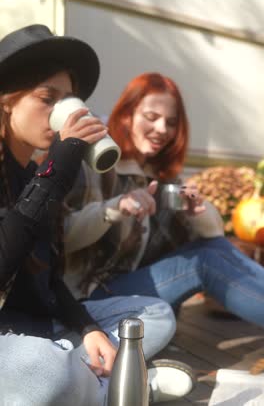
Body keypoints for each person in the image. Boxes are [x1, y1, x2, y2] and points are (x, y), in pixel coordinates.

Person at [0, 30, 194, 406]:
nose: (58, 112)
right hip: (10, 339)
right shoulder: (47, 170)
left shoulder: (33, 171)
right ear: (7, 100)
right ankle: (126, 384)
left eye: (66, 100)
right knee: (42, 371)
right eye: (46, 99)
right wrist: (61, 162)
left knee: (152, 315)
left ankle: (85, 371)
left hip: (41, 325)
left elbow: (49, 278)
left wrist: (88, 329)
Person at [64, 72, 264, 331]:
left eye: (170, 123)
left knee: (212, 249)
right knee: (204, 263)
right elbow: (65, 236)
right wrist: (115, 208)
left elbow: (214, 237)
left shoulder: (161, 177)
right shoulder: (95, 165)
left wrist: (196, 210)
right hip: (89, 299)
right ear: (126, 115)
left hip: (140, 292)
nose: (162, 129)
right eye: (151, 117)